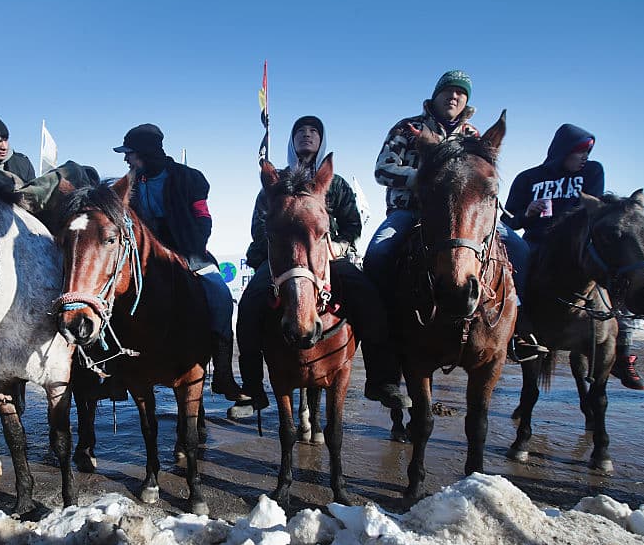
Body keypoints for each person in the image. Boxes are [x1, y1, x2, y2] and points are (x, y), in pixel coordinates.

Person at [230, 115, 411, 416]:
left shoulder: (336, 184)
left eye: (313, 131)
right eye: (300, 131)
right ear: (292, 141)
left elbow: (353, 224)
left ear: (321, 139)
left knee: (369, 297)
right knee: (249, 305)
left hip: (329, 257)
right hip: (283, 262)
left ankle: (382, 380)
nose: (307, 135)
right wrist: (276, 252)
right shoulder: (274, 185)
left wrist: (337, 245)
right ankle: (252, 389)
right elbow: (258, 228)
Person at [365, 70, 541, 362]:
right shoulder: (407, 127)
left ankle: (519, 327)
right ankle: (384, 326)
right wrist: (425, 178)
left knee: (520, 250)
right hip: (410, 211)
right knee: (378, 254)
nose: (454, 96)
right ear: (436, 95)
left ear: (466, 102)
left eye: (461, 93)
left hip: (466, 216)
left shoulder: (474, 136)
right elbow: (382, 170)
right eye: (448, 90)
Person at [503, 124, 644, 389]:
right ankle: (517, 334)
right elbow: (508, 220)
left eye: (588, 152)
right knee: (514, 274)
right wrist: (528, 214)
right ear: (563, 151)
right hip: (539, 243)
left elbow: (593, 211)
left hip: (577, 246)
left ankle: (623, 351)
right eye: (579, 151)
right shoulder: (528, 178)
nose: (585, 157)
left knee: (617, 274)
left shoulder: (593, 171)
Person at [112, 123, 244, 400]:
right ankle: (115, 372)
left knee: (219, 297)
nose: (126, 159)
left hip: (189, 254)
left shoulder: (189, 179)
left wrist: (188, 251)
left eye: (130, 153)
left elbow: (203, 220)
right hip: (142, 261)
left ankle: (222, 373)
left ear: (145, 153)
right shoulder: (129, 184)